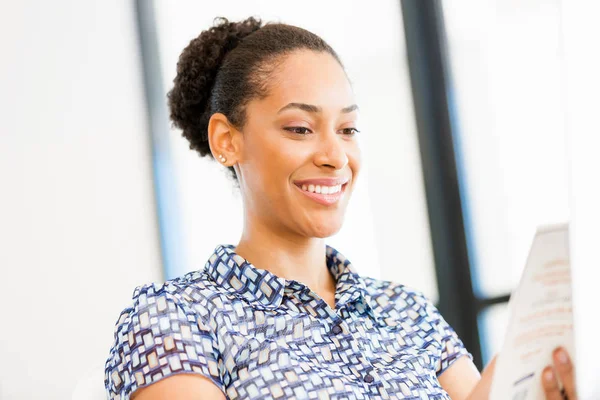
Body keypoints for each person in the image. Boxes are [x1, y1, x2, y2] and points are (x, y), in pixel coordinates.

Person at [104, 17, 577, 400]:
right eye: (300, 128)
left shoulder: (404, 311)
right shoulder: (175, 321)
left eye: (347, 129)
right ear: (228, 140)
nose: (335, 156)